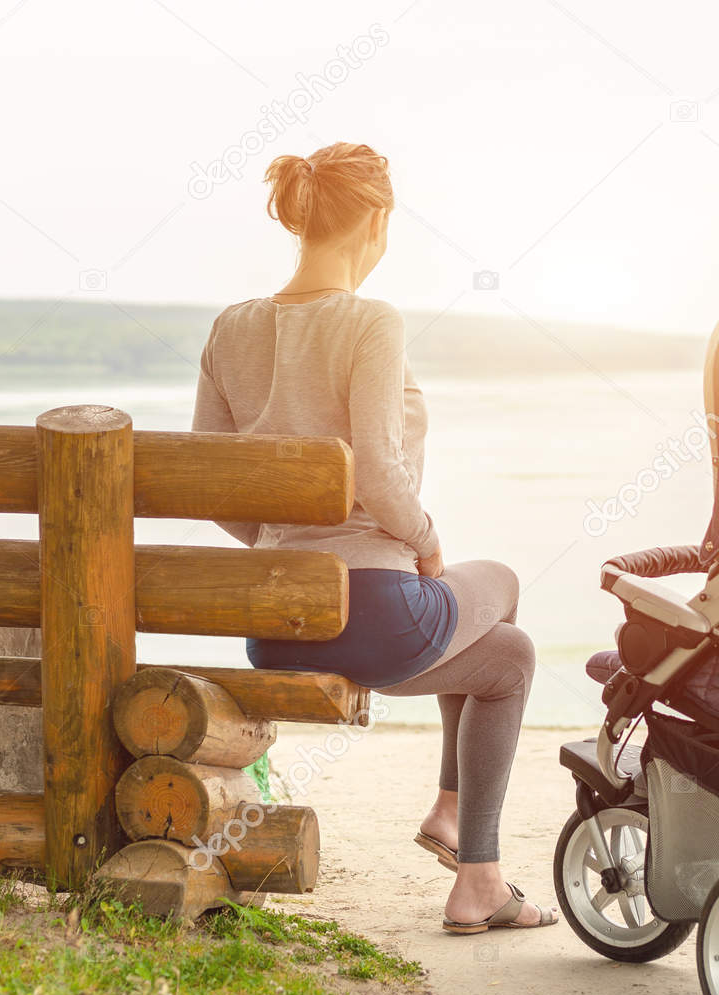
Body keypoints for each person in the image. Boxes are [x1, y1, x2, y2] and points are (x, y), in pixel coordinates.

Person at [191, 142, 554, 935]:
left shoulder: (230, 328)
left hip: (274, 627)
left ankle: (464, 842)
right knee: (502, 597)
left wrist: (279, 543)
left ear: (302, 217)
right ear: (377, 222)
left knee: (502, 650)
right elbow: (382, 477)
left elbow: (210, 484)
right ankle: (469, 857)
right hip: (372, 618)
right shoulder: (370, 322)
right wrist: (426, 542)